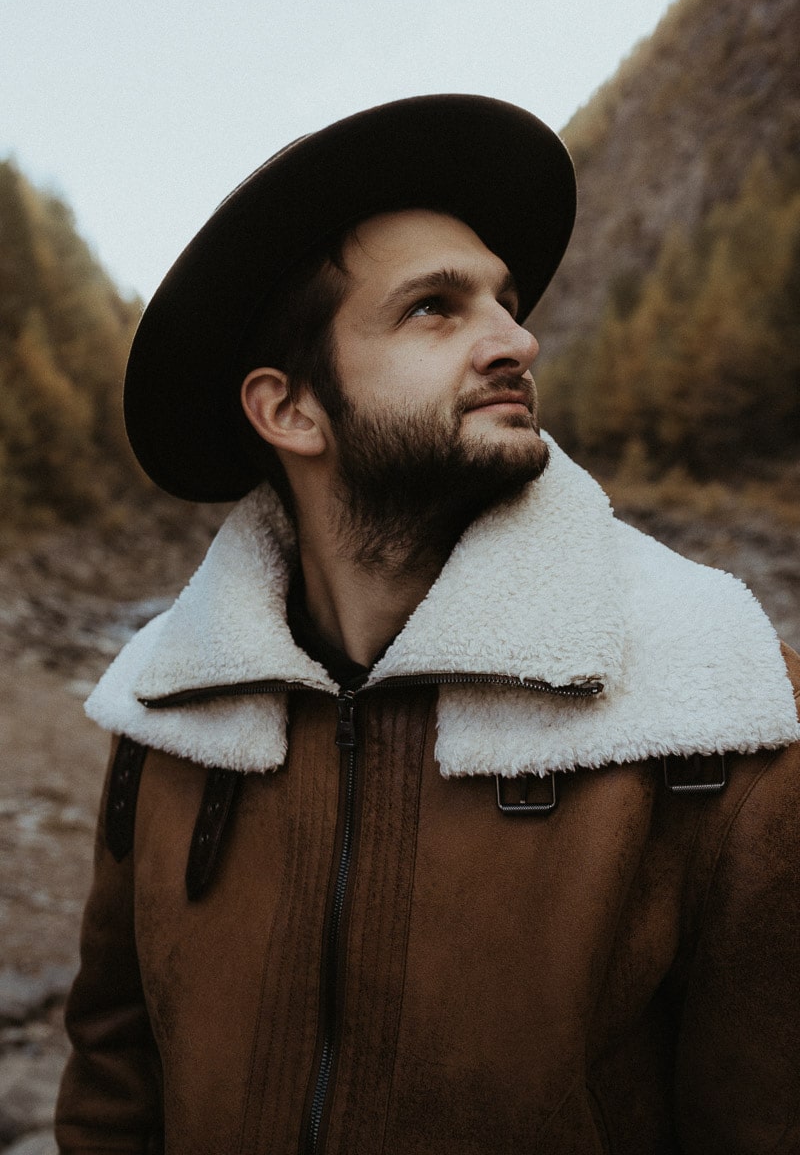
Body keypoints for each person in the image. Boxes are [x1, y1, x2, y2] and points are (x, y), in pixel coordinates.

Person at [55, 95, 800, 1155]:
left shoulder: (716, 702)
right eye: (433, 310)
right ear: (289, 411)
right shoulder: (171, 714)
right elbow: (111, 1087)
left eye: (503, 299)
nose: (516, 338)